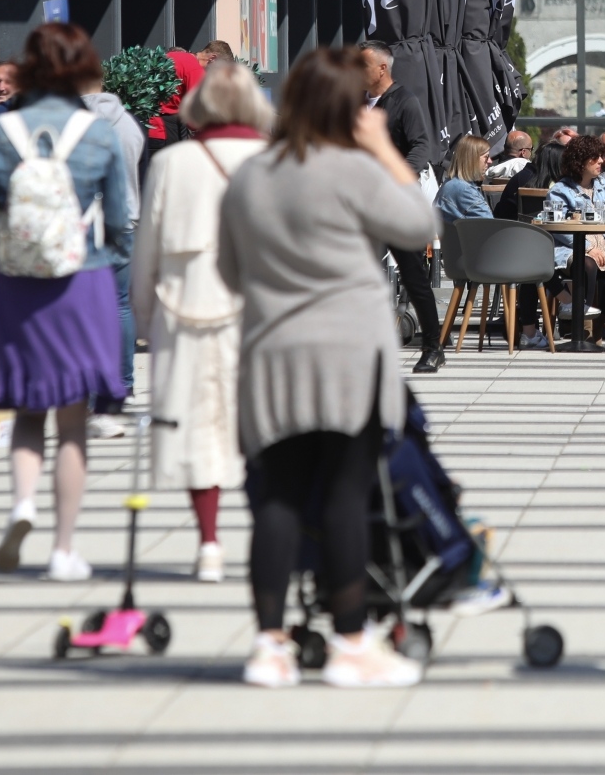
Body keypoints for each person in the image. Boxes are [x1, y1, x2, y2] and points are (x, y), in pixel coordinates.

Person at [218, 47, 435, 689]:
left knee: (278, 499)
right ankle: (349, 644)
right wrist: (385, 151)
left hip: (272, 358)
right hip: (348, 359)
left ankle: (269, 645)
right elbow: (420, 222)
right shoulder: (353, 169)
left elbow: (230, 272)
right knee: (345, 496)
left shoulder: (253, 176)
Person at [0, 23, 132, 581]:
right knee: (72, 422)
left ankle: (21, 505)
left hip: (19, 282)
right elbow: (118, 218)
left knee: (26, 410)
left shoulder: (0, 132)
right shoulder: (98, 133)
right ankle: (64, 549)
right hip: (81, 280)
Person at [134, 60, 272, 583]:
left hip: (184, 308)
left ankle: (208, 542)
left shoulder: (173, 163)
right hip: (259, 313)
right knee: (259, 428)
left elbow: (145, 254)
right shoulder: (275, 159)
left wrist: (147, 323)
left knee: (195, 432)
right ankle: (267, 533)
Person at [360, 40, 445, 375]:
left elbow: (421, 145)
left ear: (382, 68)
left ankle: (433, 347)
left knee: (412, 275)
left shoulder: (403, 100)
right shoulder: (356, 101)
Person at [80, 65, 146, 440]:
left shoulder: (74, 124)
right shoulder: (129, 123)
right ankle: (124, 383)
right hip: (126, 221)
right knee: (121, 305)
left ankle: (90, 390)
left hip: (85, 225)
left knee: (87, 307)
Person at [547, 134, 605, 340]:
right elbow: (558, 228)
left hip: (602, 242)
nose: (601, 161)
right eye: (595, 157)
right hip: (571, 245)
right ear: (580, 160)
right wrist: (586, 247)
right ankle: (579, 326)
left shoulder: (604, 186)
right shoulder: (560, 190)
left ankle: (597, 319)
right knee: (588, 264)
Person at [142, 48, 206, 178]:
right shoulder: (192, 66)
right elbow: (196, 112)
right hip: (165, 131)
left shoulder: (165, 57)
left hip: (144, 128)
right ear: (213, 59)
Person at [435, 133, 496, 223]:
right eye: (486, 157)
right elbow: (490, 225)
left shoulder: (452, 184)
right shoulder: (464, 190)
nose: (490, 161)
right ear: (472, 159)